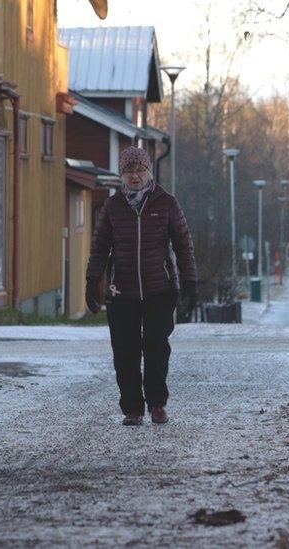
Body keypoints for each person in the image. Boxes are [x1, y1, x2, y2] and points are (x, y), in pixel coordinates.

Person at [84, 147, 198, 426]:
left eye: (139, 171)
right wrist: (92, 281)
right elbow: (99, 248)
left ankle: (157, 404)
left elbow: (184, 246)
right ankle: (133, 408)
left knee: (156, 345)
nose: (134, 177)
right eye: (128, 171)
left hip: (160, 287)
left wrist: (191, 283)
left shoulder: (166, 202)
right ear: (122, 175)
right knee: (125, 350)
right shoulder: (113, 207)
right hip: (121, 290)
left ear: (148, 172)